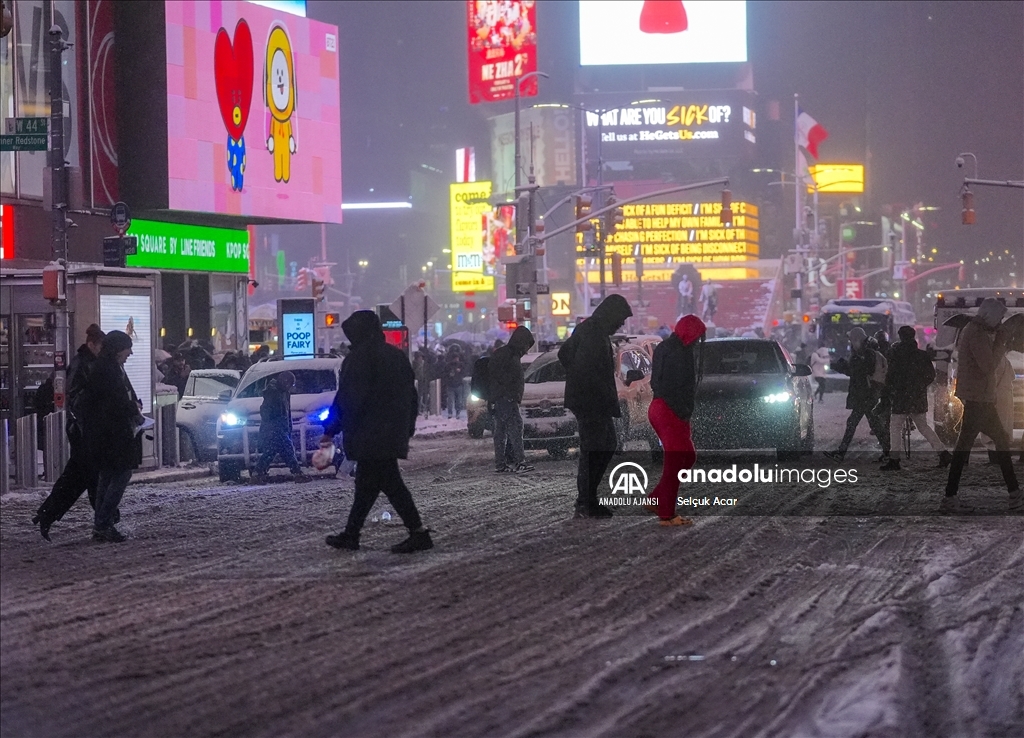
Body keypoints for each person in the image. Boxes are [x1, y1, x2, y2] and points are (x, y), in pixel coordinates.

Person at [322, 311, 432, 553]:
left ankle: (418, 532)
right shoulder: (396, 357)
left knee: (389, 484)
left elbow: (349, 399)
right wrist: (407, 426)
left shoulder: (359, 360)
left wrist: (331, 428)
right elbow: (411, 396)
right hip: (390, 430)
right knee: (367, 485)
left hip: (369, 432)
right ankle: (352, 533)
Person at [559, 294, 634, 518]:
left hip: (592, 400)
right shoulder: (592, 333)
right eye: (620, 319)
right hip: (591, 401)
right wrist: (583, 383)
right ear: (611, 315)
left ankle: (588, 499)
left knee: (605, 445)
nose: (621, 324)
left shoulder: (592, 330)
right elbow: (583, 367)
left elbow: (565, 354)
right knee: (595, 449)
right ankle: (586, 502)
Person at [942, 298, 1020, 513]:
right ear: (991, 315)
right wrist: (1001, 341)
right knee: (977, 446)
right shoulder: (976, 333)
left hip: (981, 398)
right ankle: (1013, 494)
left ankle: (1013, 493)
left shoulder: (976, 331)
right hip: (978, 399)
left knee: (991, 443)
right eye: (1000, 318)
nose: (1001, 322)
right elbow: (988, 365)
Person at [32, 325, 105, 540]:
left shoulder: (88, 362)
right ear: (92, 344)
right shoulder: (82, 364)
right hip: (83, 430)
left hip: (84, 429)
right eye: (101, 346)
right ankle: (105, 517)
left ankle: (47, 514)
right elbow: (76, 397)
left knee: (78, 477)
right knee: (87, 476)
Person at [81, 330, 144, 542]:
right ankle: (102, 523)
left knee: (107, 476)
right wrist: (132, 408)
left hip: (108, 432)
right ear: (117, 349)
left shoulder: (108, 367)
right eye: (127, 348)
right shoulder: (107, 370)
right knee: (121, 474)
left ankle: (102, 524)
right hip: (112, 433)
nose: (130, 353)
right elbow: (113, 402)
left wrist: (133, 405)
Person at [647, 314, 706, 526]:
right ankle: (667, 514)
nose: (698, 341)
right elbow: (678, 387)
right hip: (670, 411)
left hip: (660, 408)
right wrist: (683, 411)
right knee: (676, 463)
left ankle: (657, 499)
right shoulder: (681, 354)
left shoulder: (665, 348)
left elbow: (657, 382)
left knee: (686, 457)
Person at [880, 326, 952, 471]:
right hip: (917, 396)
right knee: (923, 426)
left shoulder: (896, 355)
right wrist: (919, 386)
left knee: (895, 426)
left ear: (900, 337)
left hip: (901, 397)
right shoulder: (922, 355)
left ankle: (894, 459)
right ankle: (943, 453)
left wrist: (891, 390)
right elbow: (931, 375)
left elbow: (890, 377)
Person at [824, 327, 890, 462]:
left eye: (852, 340)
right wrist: (843, 366)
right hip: (866, 394)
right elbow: (855, 370)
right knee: (871, 423)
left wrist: (842, 365)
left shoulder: (866, 353)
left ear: (857, 339)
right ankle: (888, 452)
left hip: (866, 394)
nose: (851, 343)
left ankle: (841, 453)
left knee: (856, 423)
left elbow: (858, 371)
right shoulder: (863, 352)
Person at [489, 325, 535, 473]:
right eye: (527, 345)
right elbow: (511, 379)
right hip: (508, 399)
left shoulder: (501, 354)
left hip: (499, 398)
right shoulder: (511, 357)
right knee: (515, 430)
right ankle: (520, 462)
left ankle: (500, 464)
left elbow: (494, 376)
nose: (526, 350)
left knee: (500, 432)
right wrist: (511, 395)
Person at [252, 371, 307, 482]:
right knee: (286, 451)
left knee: (272, 451)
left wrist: (287, 426)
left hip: (278, 428)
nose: (291, 387)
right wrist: (277, 422)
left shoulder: (282, 392)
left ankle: (258, 473)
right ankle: (297, 472)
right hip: (275, 429)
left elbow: (286, 412)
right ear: (285, 382)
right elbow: (267, 412)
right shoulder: (273, 393)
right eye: (291, 384)